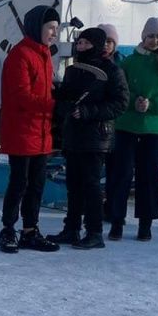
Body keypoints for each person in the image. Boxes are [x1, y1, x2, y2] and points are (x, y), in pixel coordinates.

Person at [104, 16, 158, 241]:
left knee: (149, 177)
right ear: (143, 36)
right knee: (121, 175)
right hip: (127, 126)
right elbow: (119, 90)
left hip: (153, 129)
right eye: (151, 36)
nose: (155, 40)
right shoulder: (129, 63)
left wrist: (153, 105)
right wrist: (133, 103)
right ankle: (116, 220)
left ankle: (145, 224)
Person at [49, 28, 129, 249]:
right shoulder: (74, 70)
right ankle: (71, 228)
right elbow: (64, 98)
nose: (81, 47)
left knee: (91, 185)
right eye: (80, 42)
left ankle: (94, 231)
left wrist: (88, 111)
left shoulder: (112, 71)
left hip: (96, 138)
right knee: (73, 184)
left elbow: (120, 103)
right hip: (73, 135)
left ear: (97, 44)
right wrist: (65, 106)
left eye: (86, 43)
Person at [0, 5, 61, 254]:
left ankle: (30, 229)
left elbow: (43, 92)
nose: (54, 33)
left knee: (36, 184)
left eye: (56, 28)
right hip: (22, 131)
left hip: (41, 132)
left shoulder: (43, 54)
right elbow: (21, 96)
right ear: (38, 27)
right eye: (51, 28)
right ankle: (8, 229)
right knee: (19, 182)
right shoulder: (21, 55)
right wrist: (55, 104)